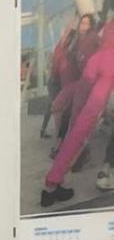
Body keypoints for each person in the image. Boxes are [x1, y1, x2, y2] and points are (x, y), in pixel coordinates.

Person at [40, 20, 114, 205]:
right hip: (109, 64)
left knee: (76, 133)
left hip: (96, 62)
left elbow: (99, 40)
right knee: (82, 131)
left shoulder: (109, 24)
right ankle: (53, 183)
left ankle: (53, 182)